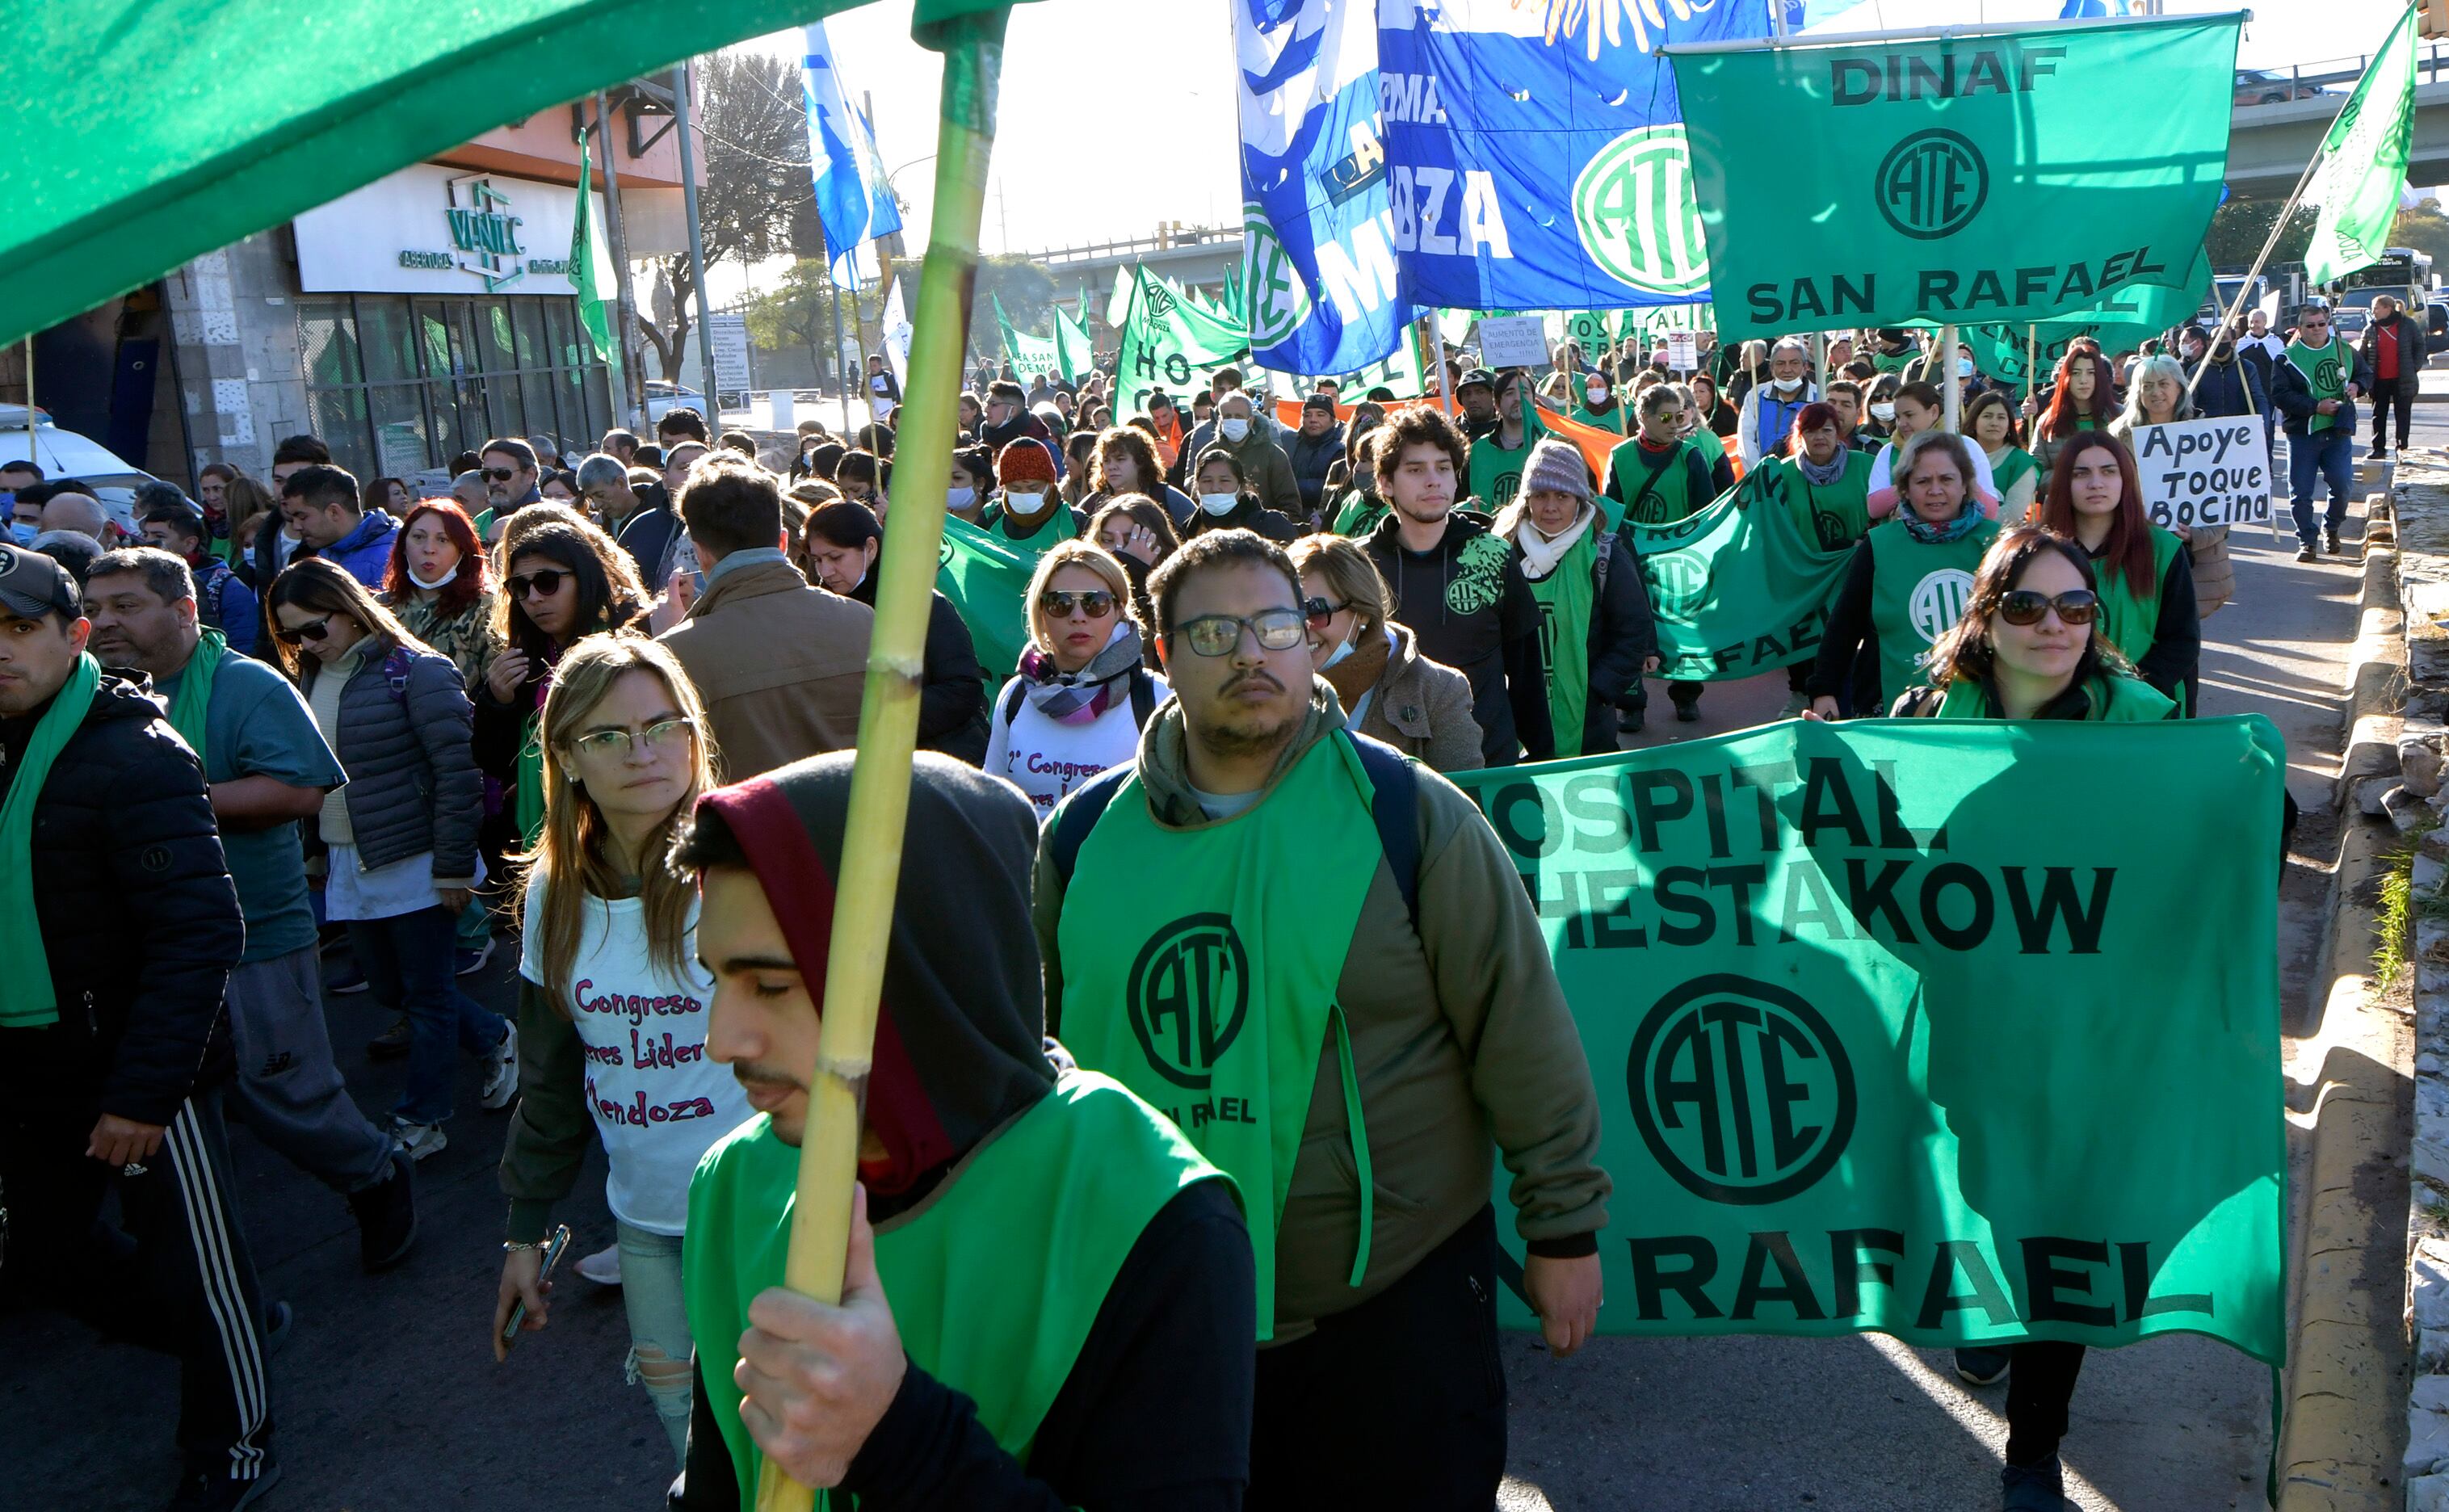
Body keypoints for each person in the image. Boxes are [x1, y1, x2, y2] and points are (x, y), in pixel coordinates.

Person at [1035, 527, 1608, 1507]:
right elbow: (1043, 1058)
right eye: (1213, 633)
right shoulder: (1083, 838)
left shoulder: (1407, 814)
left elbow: (1517, 1023)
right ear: (1163, 655)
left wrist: (1562, 1229)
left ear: (1313, 641)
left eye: (1274, 625)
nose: (1249, 654)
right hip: (1161, 1305)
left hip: (1392, 1303)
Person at [669, 747, 1253, 1510]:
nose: (722, 1040)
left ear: (920, 971)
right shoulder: (737, 1181)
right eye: (717, 980)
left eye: (773, 984)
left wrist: (896, 1439)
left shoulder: (1152, 1214)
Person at [0, 544, 278, 1512]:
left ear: (71, 636)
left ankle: (234, 1443)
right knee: (44, 1255)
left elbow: (200, 933)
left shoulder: (135, 751)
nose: (1, 652)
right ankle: (221, 1330)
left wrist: (143, 1093)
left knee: (199, 1269)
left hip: (143, 1073)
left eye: (19, 630)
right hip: (31, 1068)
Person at [85, 546, 417, 1270]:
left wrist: (167, 806)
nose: (103, 623)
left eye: (125, 606)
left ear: (183, 611)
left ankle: (375, 1173)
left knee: (281, 1091)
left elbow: (301, 790)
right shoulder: (86, 696)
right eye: (92, 609)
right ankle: (207, 1273)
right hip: (145, 949)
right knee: (173, 1110)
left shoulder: (246, 686)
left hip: (253, 933)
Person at [491, 636, 750, 1465]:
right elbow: (552, 1084)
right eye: (607, 735)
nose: (641, 752)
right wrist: (524, 1234)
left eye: (661, 725)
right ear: (565, 755)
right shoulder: (551, 895)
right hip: (648, 1223)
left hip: (774, 1212)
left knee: (790, 1445)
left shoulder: (755, 864)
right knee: (690, 1443)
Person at [267, 558, 513, 1161]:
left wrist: (454, 866)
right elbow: (312, 774)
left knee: (426, 996)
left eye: (315, 628)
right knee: (388, 986)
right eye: (291, 635)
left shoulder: (418, 671)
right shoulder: (310, 677)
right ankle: (494, 1036)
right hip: (353, 859)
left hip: (419, 858)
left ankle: (422, 1117)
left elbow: (458, 774)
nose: (306, 644)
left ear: (350, 609)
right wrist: (317, 851)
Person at [657, 454, 872, 782]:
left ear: (700, 552)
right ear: (784, 541)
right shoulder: (864, 621)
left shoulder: (674, 655)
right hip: (870, 827)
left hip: (748, 830)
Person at [1364, 405, 1552, 765]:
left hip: (1488, 759)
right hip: (1394, 767)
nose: (1433, 480)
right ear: (1386, 482)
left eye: (1444, 467)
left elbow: (1526, 669)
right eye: (1415, 469)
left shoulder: (1493, 555)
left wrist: (1542, 756)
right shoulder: (1361, 566)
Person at [478, 511, 650, 847]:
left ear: (583, 578)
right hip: (546, 841)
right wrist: (497, 703)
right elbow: (492, 761)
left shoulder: (628, 641)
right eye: (520, 587)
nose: (534, 598)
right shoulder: (519, 660)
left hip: (618, 828)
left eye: (547, 581)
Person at [1809, 430, 2005, 719]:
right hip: (1891, 708)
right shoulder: (1878, 547)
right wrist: (1823, 689)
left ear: (1965, 484)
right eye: (1923, 481)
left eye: (1947, 479)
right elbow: (1845, 625)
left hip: (1985, 708)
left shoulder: (1999, 545)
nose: (1935, 490)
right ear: (1905, 489)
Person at [982, 540, 1166, 818]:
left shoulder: (1156, 698)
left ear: (1119, 610)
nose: (1078, 617)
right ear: (1041, 613)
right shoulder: (1016, 696)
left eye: (1095, 603)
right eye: (1060, 603)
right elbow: (992, 803)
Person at [1495, 438, 1656, 754]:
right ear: (1526, 500)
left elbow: (1632, 631)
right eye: (1540, 495)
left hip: (1589, 721)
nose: (1550, 506)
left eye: (1562, 496)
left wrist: (1598, 690)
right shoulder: (1501, 552)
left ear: (1580, 500)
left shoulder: (1605, 555)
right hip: (1515, 715)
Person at [803, 498, 989, 763]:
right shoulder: (824, 609)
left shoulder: (922, 603)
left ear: (870, 547)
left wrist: (886, 717)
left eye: (835, 557)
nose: (825, 571)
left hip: (938, 761)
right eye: (818, 559)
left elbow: (964, 688)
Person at [1287, 533, 1482, 770]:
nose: (1301, 628)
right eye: (1285, 614)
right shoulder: (1258, 687)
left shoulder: (1439, 691)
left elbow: (1459, 803)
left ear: (1362, 613)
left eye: (1315, 610)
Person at [2034, 430, 2199, 709]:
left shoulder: (2164, 550)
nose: (2096, 483)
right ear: (2064, 483)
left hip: (2144, 708)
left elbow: (2182, 642)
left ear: (2126, 480)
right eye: (2081, 474)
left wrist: (2124, 693)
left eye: (2108, 472)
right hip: (2060, 711)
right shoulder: (2038, 554)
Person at [2273, 302, 2367, 564]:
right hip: (2303, 434)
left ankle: (2332, 527)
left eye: (2321, 324)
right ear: (2300, 328)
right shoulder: (2286, 358)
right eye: (2310, 325)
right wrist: (2315, 407)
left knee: (2343, 484)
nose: (2316, 329)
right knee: (2300, 492)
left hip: (2338, 432)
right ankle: (2306, 539)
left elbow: (2365, 373)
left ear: (2328, 324)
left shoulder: (2343, 349)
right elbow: (2280, 395)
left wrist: (2357, 386)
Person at [140, 496, 258, 656]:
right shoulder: (140, 579)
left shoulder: (228, 588)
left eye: (159, 537)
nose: (148, 542)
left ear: (190, 543)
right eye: (145, 534)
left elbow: (242, 647)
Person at [1866, 380, 1999, 513]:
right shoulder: (1889, 451)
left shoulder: (1967, 446)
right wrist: (1912, 483)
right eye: (1897, 417)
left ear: (1934, 412)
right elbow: (1874, 508)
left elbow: (1990, 511)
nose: (1901, 423)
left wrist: (1963, 482)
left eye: (1909, 415)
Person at [1086, 494, 1182, 670]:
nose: (1118, 550)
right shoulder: (1082, 588)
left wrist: (1136, 574)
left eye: (1132, 540)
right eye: (1107, 540)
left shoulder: (1182, 592)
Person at [278, 464, 399, 588]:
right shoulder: (321, 553)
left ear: (333, 512)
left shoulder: (389, 559)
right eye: (293, 518)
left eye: (302, 517)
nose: (296, 526)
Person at [2031, 348, 2115, 493]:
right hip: (2063, 507)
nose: (2083, 380)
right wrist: (2073, 479)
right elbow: (2034, 474)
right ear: (2065, 378)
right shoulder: (2049, 422)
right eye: (2076, 373)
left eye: (2091, 373)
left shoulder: (2119, 416)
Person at [1083, 425, 1195, 531]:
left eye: (1120, 459)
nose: (1111, 467)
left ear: (1140, 461)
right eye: (1106, 461)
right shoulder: (1092, 504)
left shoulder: (1169, 499)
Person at [981, 438, 1082, 553]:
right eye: (1015, 488)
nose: (1024, 493)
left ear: (1050, 484)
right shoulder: (991, 515)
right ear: (1004, 486)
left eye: (1033, 488)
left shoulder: (1074, 522)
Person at [1186, 445, 1301, 543]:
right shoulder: (1185, 531)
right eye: (1207, 481)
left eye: (1224, 481)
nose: (1215, 488)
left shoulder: (1270, 526)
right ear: (1196, 487)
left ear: (1241, 487)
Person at [1735, 338, 1817, 467]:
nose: (1787, 369)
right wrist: (1761, 474)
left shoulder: (1819, 398)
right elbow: (1746, 441)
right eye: (1780, 363)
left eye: (1794, 363)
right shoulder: (1756, 396)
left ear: (1805, 367)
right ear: (1772, 368)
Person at [2359, 292, 2422, 460]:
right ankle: (2378, 448)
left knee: (2402, 414)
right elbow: (2362, 355)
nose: (2374, 312)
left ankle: (2402, 448)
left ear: (2388, 308)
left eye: (2377, 308)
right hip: (2379, 380)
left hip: (2402, 379)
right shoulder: (2371, 329)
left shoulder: (2407, 325)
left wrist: (2415, 367)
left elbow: (2419, 346)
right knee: (2378, 414)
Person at [1467, 368, 1536, 512]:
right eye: (1510, 393)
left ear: (1535, 401)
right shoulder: (1478, 450)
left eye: (1524, 392)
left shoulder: (1553, 445)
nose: (1518, 398)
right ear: (1497, 405)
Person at [1966, 390, 2040, 519]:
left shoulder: (2022, 463)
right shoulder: (1956, 457)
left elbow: (2012, 515)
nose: (1994, 423)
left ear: (2009, 425)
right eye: (1987, 416)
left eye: (2001, 417)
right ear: (1974, 421)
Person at [1287, 393, 1346, 523]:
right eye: (1307, 415)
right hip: (1292, 518)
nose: (1313, 419)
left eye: (1320, 414)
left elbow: (1335, 488)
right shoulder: (1291, 443)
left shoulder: (1341, 449)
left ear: (1332, 420)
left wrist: (1290, 487)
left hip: (1324, 520)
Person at [1453, 366, 1501, 441]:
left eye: (1480, 392)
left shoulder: (1507, 431)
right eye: (1467, 394)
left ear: (1494, 396)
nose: (1472, 399)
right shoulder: (1452, 433)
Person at [1688, 370, 1737, 439]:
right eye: (1694, 392)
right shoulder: (1689, 415)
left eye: (1702, 391)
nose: (1697, 395)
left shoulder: (1726, 413)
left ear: (1712, 393)